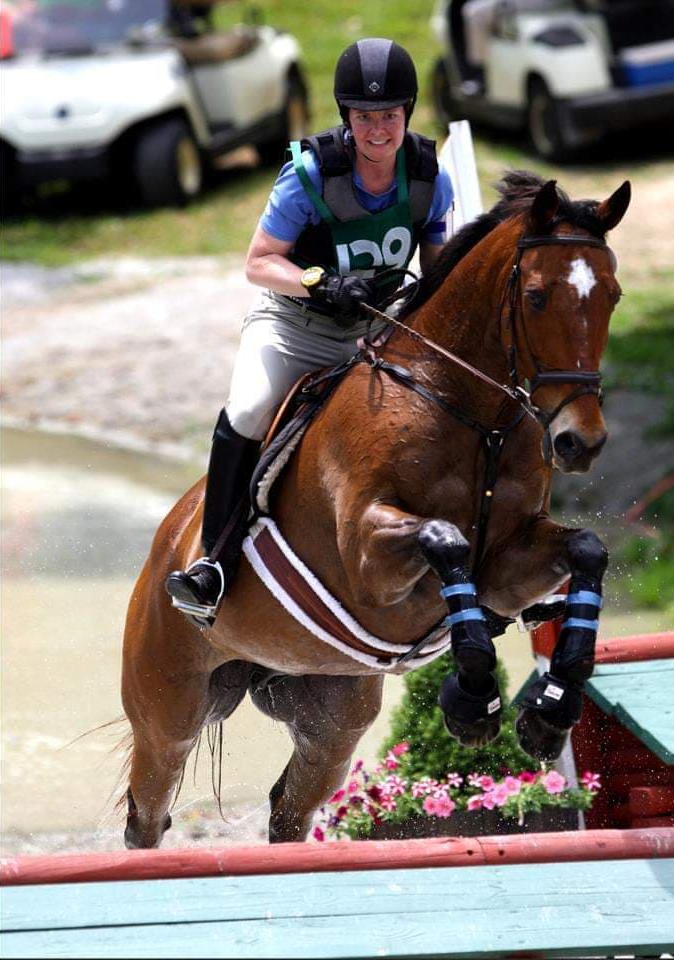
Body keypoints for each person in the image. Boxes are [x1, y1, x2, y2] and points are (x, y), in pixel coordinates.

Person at [166, 37, 455, 618]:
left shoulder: (428, 179)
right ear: (348, 117)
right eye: (367, 117)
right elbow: (259, 261)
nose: (379, 129)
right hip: (295, 325)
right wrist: (321, 282)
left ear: (408, 113)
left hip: (374, 337)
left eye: (390, 116)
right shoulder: (309, 176)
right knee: (249, 410)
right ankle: (213, 563)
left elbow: (438, 271)